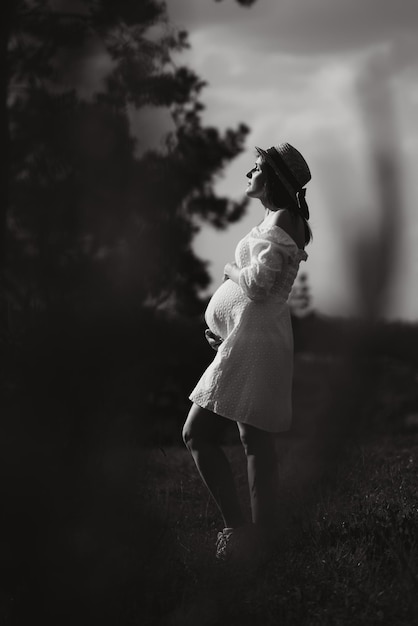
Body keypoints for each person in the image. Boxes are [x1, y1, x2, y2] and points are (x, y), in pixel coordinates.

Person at [182, 142, 312, 562]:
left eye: (255, 168)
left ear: (272, 177)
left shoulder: (285, 219)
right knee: (251, 439)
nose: (248, 175)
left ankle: (242, 535)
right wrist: (224, 328)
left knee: (200, 433)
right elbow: (259, 293)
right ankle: (259, 540)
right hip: (247, 338)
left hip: (257, 340)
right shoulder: (278, 219)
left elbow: (256, 286)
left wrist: (227, 271)